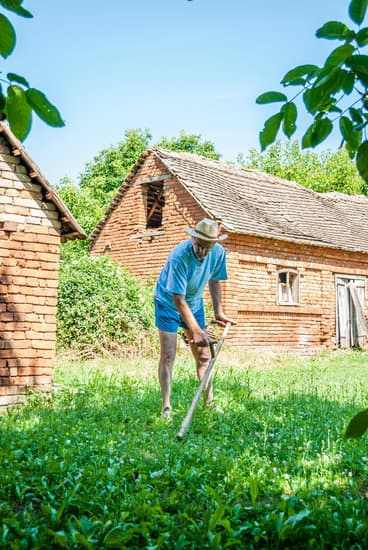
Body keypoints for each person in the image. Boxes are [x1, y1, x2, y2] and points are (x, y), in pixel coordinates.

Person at [154, 218, 235, 419]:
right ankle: (166, 407)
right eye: (199, 246)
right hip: (167, 303)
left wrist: (219, 311)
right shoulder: (179, 257)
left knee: (204, 356)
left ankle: (209, 403)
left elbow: (215, 280)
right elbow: (178, 299)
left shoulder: (217, 253)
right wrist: (196, 331)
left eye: (207, 247)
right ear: (193, 238)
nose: (202, 252)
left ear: (214, 244)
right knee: (168, 354)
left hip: (195, 303)